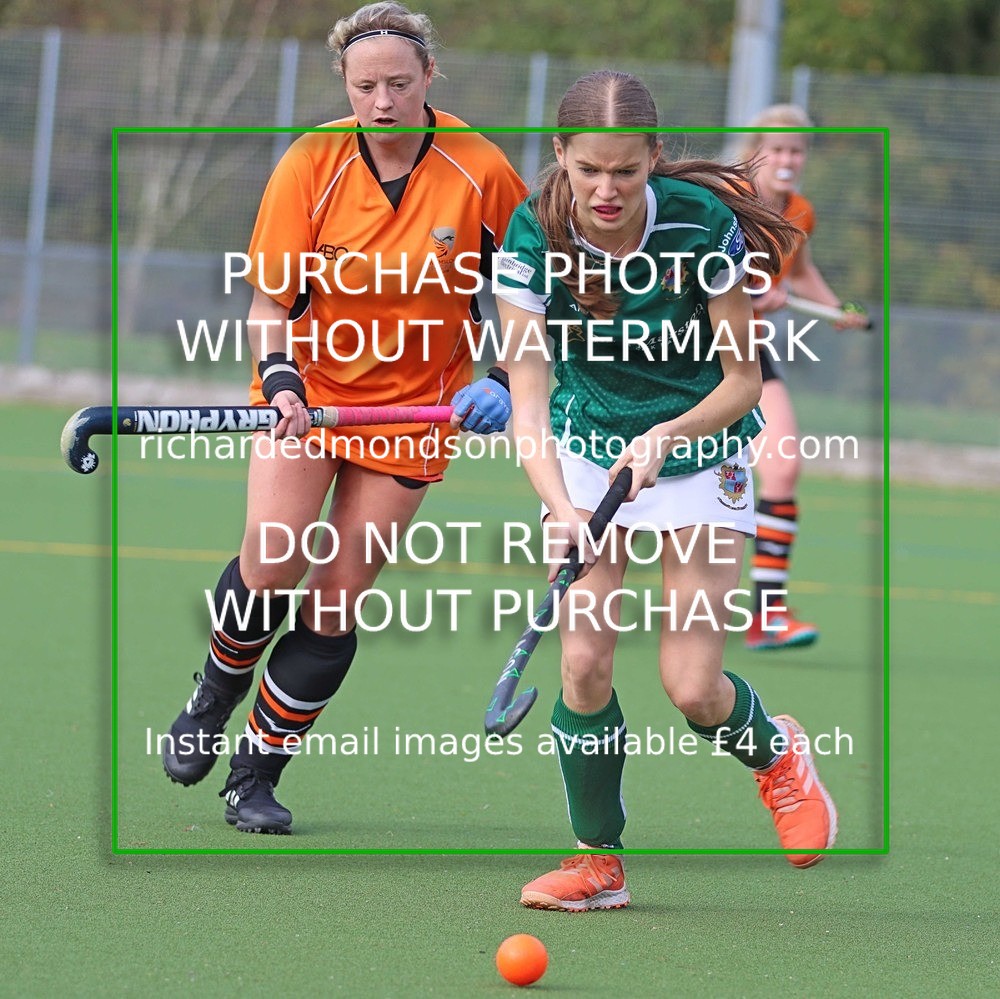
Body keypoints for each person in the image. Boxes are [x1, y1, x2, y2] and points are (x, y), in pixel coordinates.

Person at [160, 2, 527, 834]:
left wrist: (504, 373)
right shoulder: (311, 162)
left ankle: (254, 774)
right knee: (272, 561)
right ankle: (210, 699)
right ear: (346, 85)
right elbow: (268, 301)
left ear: (430, 77)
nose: (384, 99)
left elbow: (528, 290)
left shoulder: (480, 168)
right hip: (311, 397)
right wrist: (281, 376)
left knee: (336, 600)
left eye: (401, 82)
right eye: (367, 85)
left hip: (413, 414)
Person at [493, 71, 838, 912]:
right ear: (561, 158)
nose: (606, 191)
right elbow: (527, 404)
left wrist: (667, 435)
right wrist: (564, 511)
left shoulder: (701, 226)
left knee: (693, 686)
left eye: (626, 172)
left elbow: (743, 380)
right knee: (581, 661)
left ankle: (778, 754)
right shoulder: (534, 235)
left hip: (700, 448)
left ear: (652, 158)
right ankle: (597, 863)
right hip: (579, 448)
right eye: (589, 172)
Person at [740, 105, 870, 650]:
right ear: (757, 150)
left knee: (784, 467)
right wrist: (747, 292)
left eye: (799, 150)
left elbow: (799, 270)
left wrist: (836, 306)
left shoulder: (800, 213)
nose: (789, 160)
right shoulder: (728, 199)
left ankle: (766, 614)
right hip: (688, 350)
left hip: (750, 350)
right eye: (780, 149)